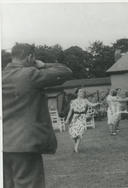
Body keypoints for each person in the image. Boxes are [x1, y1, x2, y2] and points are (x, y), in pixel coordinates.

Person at [2, 43, 72, 188]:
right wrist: (43, 64)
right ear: (30, 57)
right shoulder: (29, 74)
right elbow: (65, 71)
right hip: (24, 143)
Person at [65, 88, 100, 153]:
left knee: (80, 132)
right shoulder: (73, 101)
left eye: (83, 92)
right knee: (73, 133)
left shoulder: (85, 100)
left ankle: (76, 148)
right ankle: (75, 145)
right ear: (77, 93)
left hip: (82, 118)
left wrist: (97, 103)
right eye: (80, 92)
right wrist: (67, 119)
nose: (82, 93)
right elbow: (70, 111)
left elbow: (91, 104)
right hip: (75, 118)